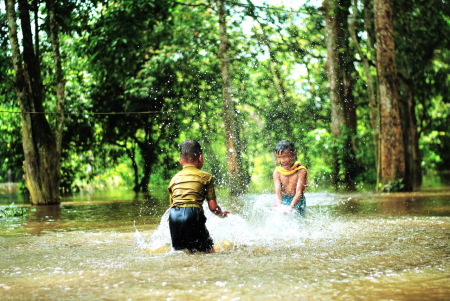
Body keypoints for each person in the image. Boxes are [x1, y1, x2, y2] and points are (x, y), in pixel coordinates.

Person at [168, 139, 229, 253]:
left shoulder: (174, 179)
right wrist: (221, 214)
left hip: (174, 217)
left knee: (182, 253)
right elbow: (213, 207)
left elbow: (172, 205)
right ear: (200, 158)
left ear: (180, 160)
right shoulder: (206, 176)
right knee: (209, 252)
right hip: (193, 213)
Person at [273, 140, 308, 217]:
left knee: (299, 222)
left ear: (294, 155)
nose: (282, 161)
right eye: (279, 157)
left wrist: (290, 207)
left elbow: (299, 193)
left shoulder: (300, 171)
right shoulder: (277, 172)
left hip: (298, 200)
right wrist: (279, 205)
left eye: (285, 156)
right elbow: (278, 193)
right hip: (284, 199)